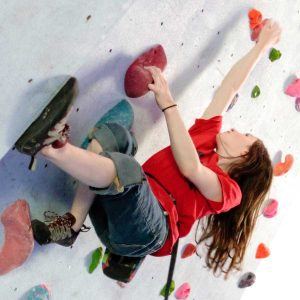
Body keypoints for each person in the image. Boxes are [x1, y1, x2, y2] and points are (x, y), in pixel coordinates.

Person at [29, 19, 281, 278]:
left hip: (150, 229)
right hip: (117, 202)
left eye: (246, 135)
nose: (237, 129)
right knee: (119, 137)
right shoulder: (206, 135)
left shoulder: (230, 192)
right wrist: (261, 46)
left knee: (129, 172)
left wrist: (168, 104)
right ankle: (72, 223)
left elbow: (191, 167)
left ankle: (49, 146)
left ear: (245, 155)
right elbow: (229, 89)